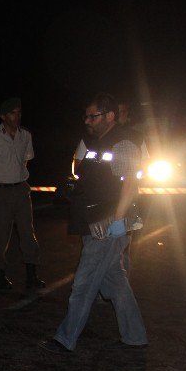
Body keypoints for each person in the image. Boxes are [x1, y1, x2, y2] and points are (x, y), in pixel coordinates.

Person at [40, 93, 148, 354]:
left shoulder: (123, 142)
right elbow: (91, 177)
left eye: (93, 115)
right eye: (86, 115)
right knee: (115, 283)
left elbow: (130, 185)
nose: (87, 120)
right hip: (93, 220)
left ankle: (65, 339)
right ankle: (135, 336)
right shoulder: (97, 142)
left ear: (109, 116)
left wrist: (119, 221)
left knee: (84, 283)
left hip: (107, 223)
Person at [0, 97, 45, 291]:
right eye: (12, 113)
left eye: (19, 112)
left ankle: (32, 275)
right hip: (1, 192)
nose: (17, 116)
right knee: (0, 235)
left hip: (21, 189)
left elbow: (27, 159)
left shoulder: (26, 135)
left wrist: (17, 175)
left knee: (28, 233)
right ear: (3, 116)